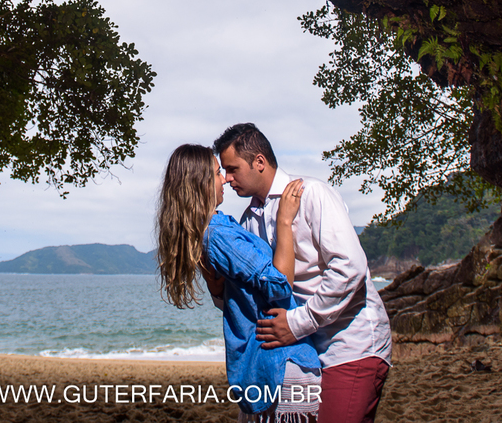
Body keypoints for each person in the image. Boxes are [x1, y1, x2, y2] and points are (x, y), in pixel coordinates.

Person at [214, 123, 392, 423]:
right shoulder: (247, 221)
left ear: (259, 162)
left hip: (350, 345)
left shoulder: (313, 194)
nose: (227, 178)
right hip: (306, 352)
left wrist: (297, 323)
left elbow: (350, 268)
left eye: (232, 169)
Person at [156, 144, 322, 422]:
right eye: (217, 172)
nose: (225, 179)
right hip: (280, 363)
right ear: (200, 183)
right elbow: (280, 285)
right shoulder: (219, 235)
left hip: (261, 366)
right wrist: (283, 221)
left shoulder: (207, 233)